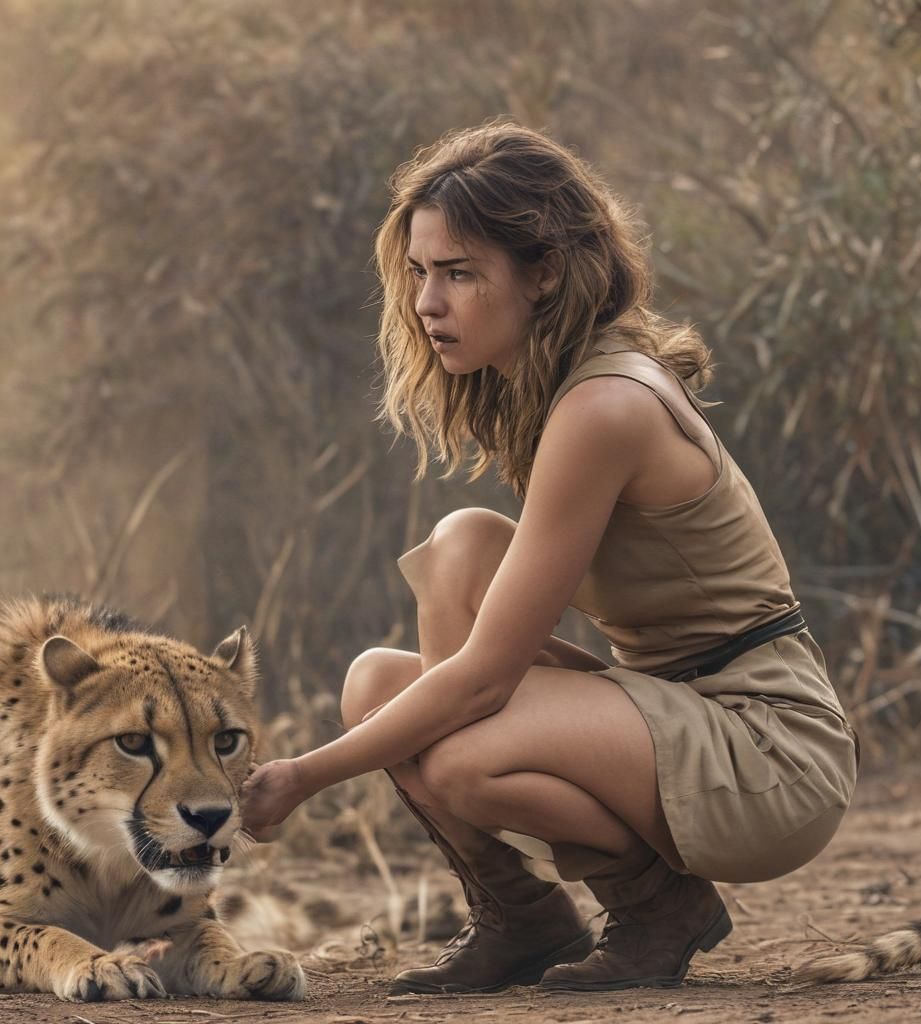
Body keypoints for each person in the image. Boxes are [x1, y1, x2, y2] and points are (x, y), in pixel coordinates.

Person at [241, 119, 859, 994]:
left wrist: (302, 776)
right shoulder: (557, 387)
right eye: (420, 273)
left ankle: (660, 909)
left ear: (546, 273)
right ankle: (525, 922)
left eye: (459, 274)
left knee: (462, 755)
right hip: (678, 707)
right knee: (405, 636)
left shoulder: (606, 404)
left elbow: (488, 679)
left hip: (769, 750)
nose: (427, 304)